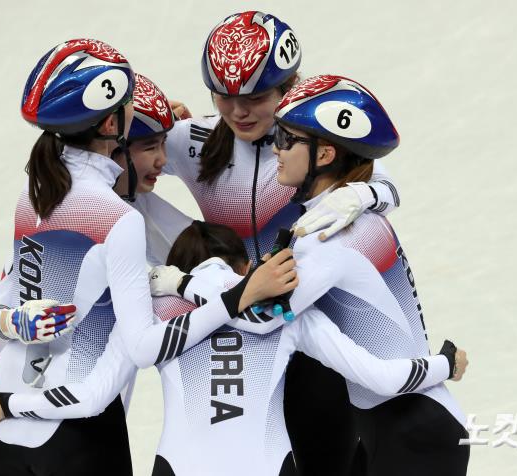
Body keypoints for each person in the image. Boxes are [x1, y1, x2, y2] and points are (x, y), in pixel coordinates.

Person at [0, 41, 298, 476]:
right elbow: (142, 344)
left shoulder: (35, 195)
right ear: (113, 128)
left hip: (3, 416)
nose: (163, 157)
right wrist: (242, 292)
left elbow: (2, 318)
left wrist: (8, 337)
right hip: (70, 420)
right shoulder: (118, 219)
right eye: (149, 142)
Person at [144, 11, 404, 475]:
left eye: (256, 97)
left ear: (290, 87)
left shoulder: (319, 140)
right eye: (223, 97)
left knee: (330, 462)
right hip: (243, 333)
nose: (239, 111)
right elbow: (114, 158)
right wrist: (148, 119)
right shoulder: (193, 141)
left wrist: (364, 193)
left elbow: (384, 182)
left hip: (312, 335)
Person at [148, 221, 466, 476]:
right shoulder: (287, 314)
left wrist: (174, 285)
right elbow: (382, 378)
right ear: (246, 268)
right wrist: (445, 364)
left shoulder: (154, 308)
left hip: (177, 466)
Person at [270, 74, 470, 475]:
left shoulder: (326, 236)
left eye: (285, 139)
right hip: (406, 423)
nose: (275, 148)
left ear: (324, 155)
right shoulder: (356, 210)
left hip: (411, 432)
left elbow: (262, 317)